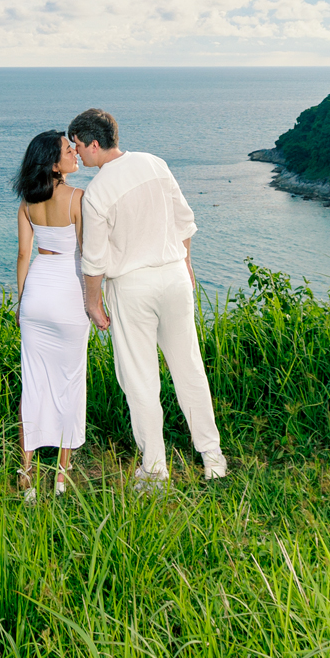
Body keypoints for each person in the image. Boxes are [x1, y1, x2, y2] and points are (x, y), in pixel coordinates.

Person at [72, 106, 226, 486]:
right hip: (173, 276)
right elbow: (184, 220)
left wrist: (92, 303)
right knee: (188, 367)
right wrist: (186, 264)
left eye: (77, 145)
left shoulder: (97, 191)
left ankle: (155, 470)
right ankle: (213, 458)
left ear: (94, 143)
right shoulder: (155, 163)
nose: (76, 153)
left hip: (132, 287)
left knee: (140, 378)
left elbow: (93, 260)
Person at [12, 128, 87, 499]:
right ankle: (61, 473)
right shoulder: (78, 198)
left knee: (34, 385)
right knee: (69, 383)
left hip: (36, 295)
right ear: (53, 163)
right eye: (66, 149)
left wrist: (20, 303)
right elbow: (89, 258)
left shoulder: (27, 201)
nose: (74, 152)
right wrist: (96, 303)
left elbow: (24, 255)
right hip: (69, 294)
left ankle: (25, 474)